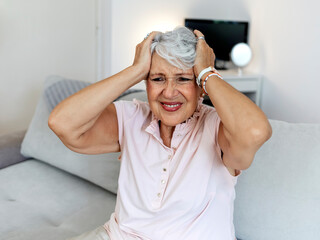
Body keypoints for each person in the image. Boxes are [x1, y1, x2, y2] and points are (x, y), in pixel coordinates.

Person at [48, 26, 272, 240]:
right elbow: (62, 123)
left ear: (200, 87)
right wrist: (135, 70)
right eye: (158, 78)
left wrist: (206, 72)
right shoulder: (132, 116)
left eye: (183, 79)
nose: (169, 92)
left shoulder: (217, 128)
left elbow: (254, 131)